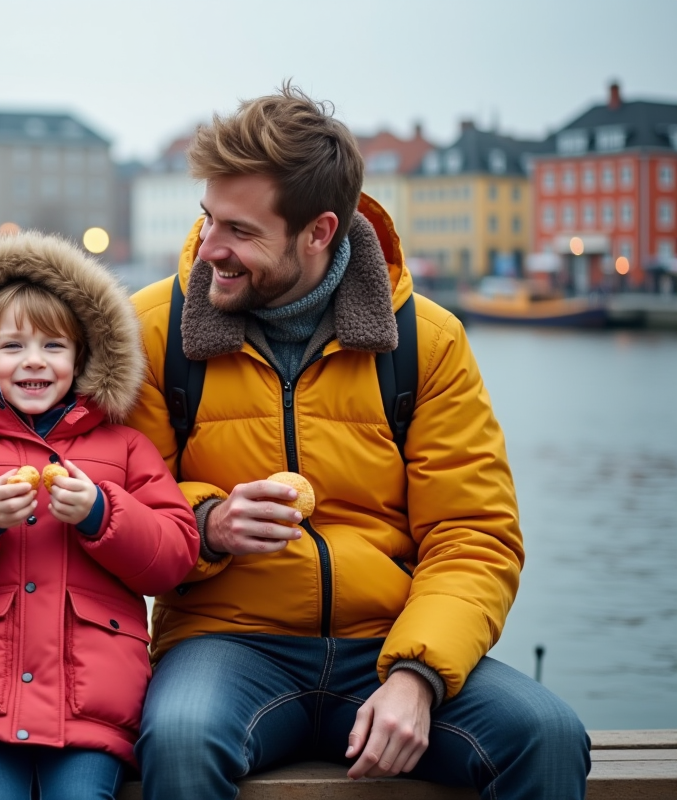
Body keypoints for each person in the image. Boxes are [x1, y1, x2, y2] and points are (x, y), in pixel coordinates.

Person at [126, 84, 591, 799]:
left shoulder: (426, 341)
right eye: (207, 220)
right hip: (224, 641)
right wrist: (208, 524)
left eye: (241, 232)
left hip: (392, 638)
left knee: (549, 736)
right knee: (182, 737)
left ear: (319, 232)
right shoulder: (152, 329)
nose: (209, 250)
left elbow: (475, 535)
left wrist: (419, 675)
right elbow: (124, 506)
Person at [0, 232, 201, 800]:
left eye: (54, 346)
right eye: (12, 347)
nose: (34, 361)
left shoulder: (126, 448)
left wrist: (103, 513)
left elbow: (173, 558)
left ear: (82, 357)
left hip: (91, 706)